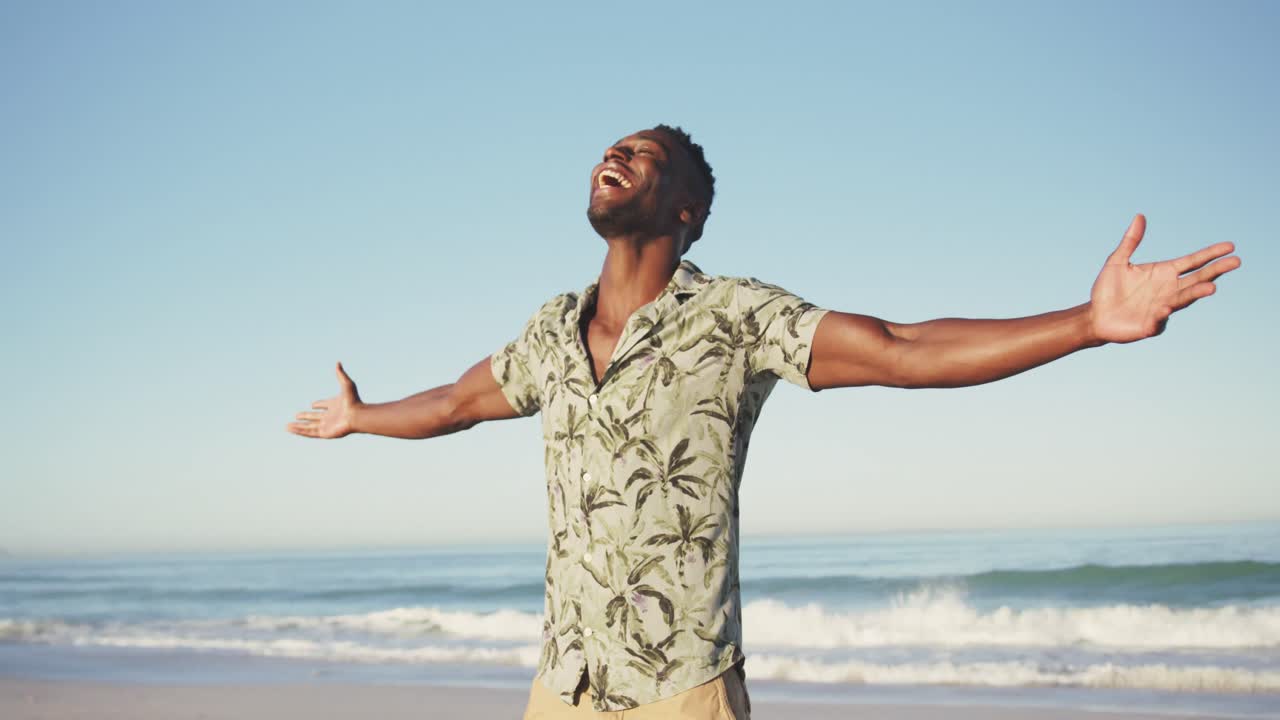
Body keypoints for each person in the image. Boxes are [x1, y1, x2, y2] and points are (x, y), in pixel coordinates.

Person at [286, 125, 1240, 719]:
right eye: (611, 147)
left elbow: (900, 347)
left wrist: (1085, 323)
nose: (614, 155)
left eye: (643, 155)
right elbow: (457, 403)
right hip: (563, 684)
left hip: (683, 690)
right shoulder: (550, 330)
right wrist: (363, 418)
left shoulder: (735, 317)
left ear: (686, 211)